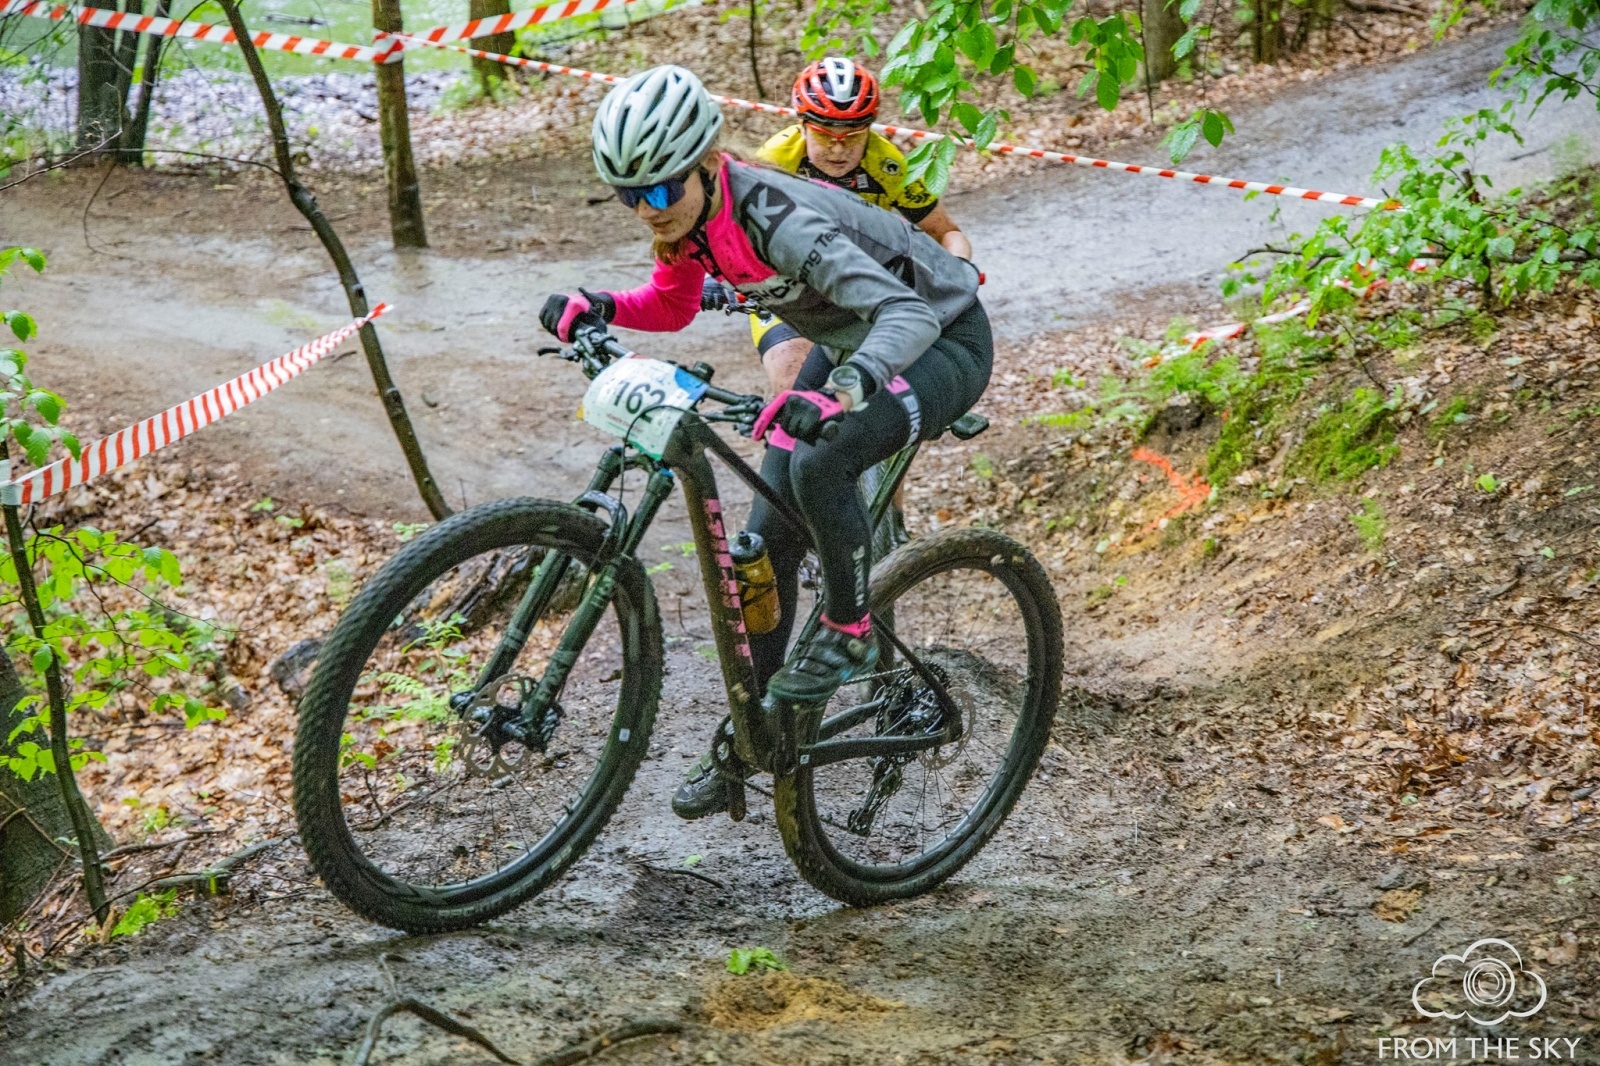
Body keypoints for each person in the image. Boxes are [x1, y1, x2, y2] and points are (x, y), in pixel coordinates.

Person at [539, 65, 992, 819]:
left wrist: (837, 393)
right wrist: (599, 304)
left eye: (658, 190)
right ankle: (756, 741)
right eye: (629, 195)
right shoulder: (692, 221)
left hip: (942, 341)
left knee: (821, 462)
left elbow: (908, 315)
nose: (647, 209)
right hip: (853, 340)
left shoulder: (780, 217)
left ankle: (848, 631)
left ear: (707, 165)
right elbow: (674, 304)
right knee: (761, 549)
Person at [747, 56, 972, 391]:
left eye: (853, 136)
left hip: (859, 284)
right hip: (791, 288)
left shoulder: (887, 163)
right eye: (825, 135)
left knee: (880, 384)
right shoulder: (772, 163)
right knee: (791, 380)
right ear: (803, 125)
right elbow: (730, 229)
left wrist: (959, 268)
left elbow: (947, 232)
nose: (839, 149)